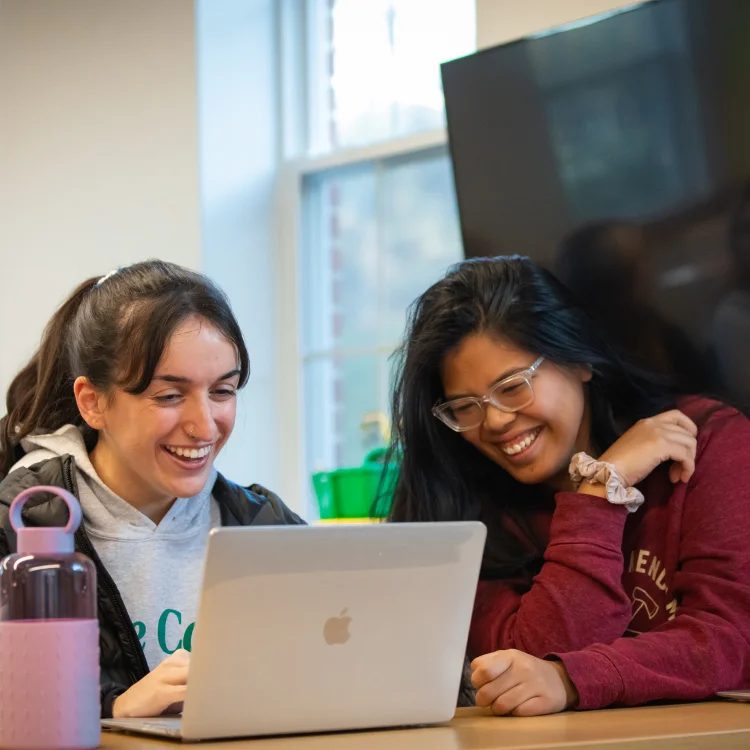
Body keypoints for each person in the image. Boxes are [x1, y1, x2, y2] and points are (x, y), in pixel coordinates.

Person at [383, 255, 750, 716]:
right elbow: (525, 669)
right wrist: (599, 493)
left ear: (578, 360)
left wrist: (572, 678)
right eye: (465, 407)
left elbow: (732, 640)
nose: (494, 422)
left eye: (513, 387)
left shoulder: (706, 441)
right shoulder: (462, 511)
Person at [0, 261, 303, 719]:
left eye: (223, 391)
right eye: (169, 396)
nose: (205, 426)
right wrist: (112, 711)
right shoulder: (18, 527)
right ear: (93, 402)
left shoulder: (265, 524)